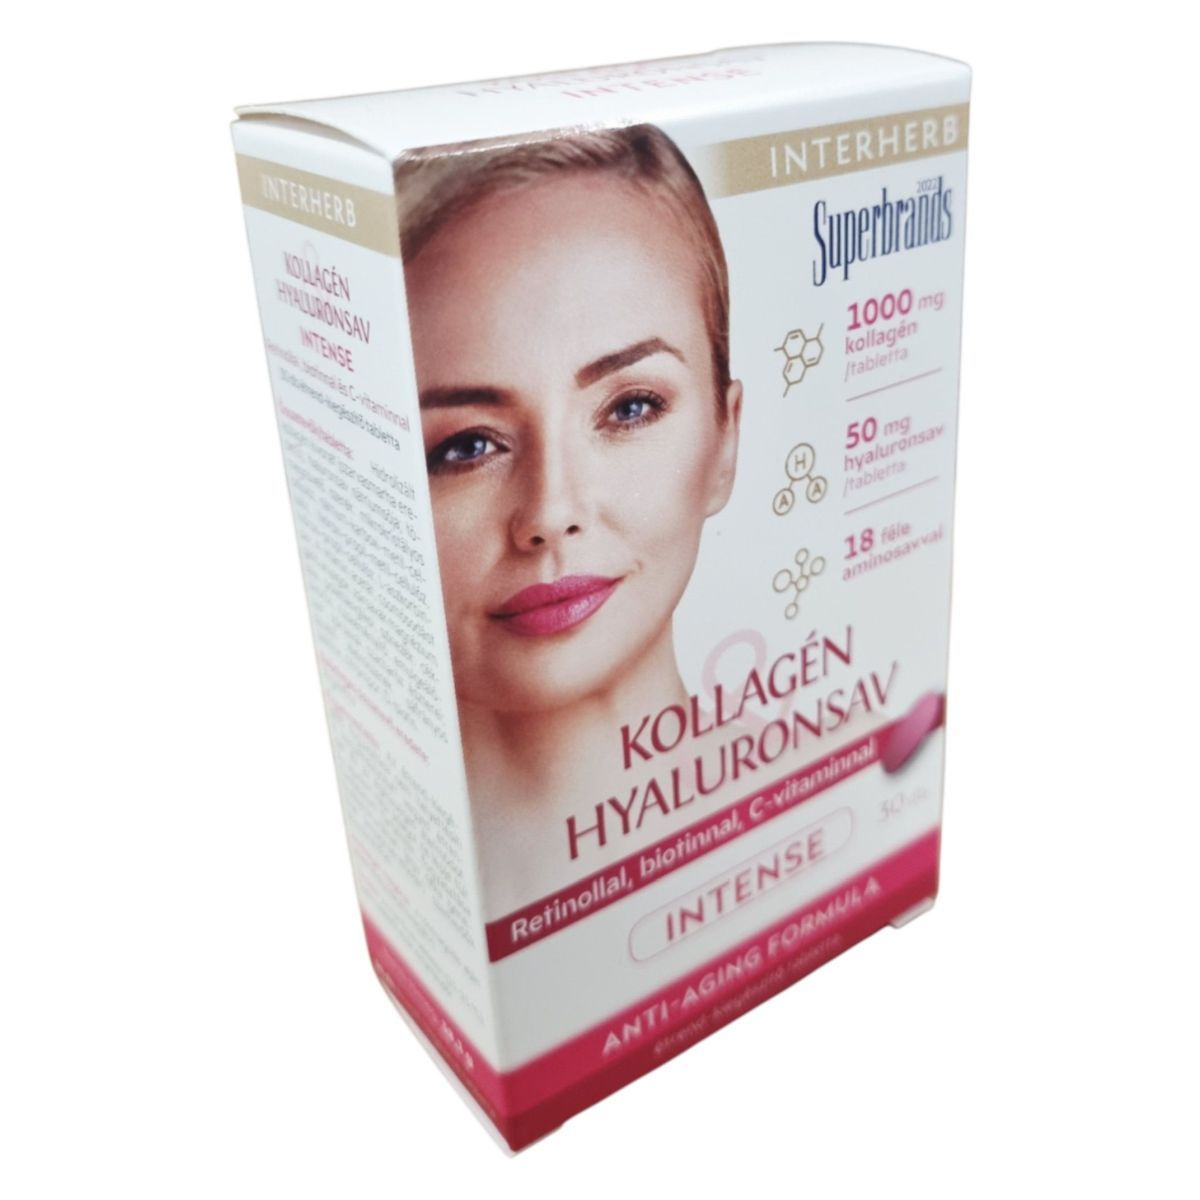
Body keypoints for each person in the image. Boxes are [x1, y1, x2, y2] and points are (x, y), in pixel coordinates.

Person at [397, 125, 743, 908]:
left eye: (630, 408)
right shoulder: (421, 893)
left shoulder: (863, 786)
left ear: (727, 440)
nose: (551, 514)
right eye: (467, 446)